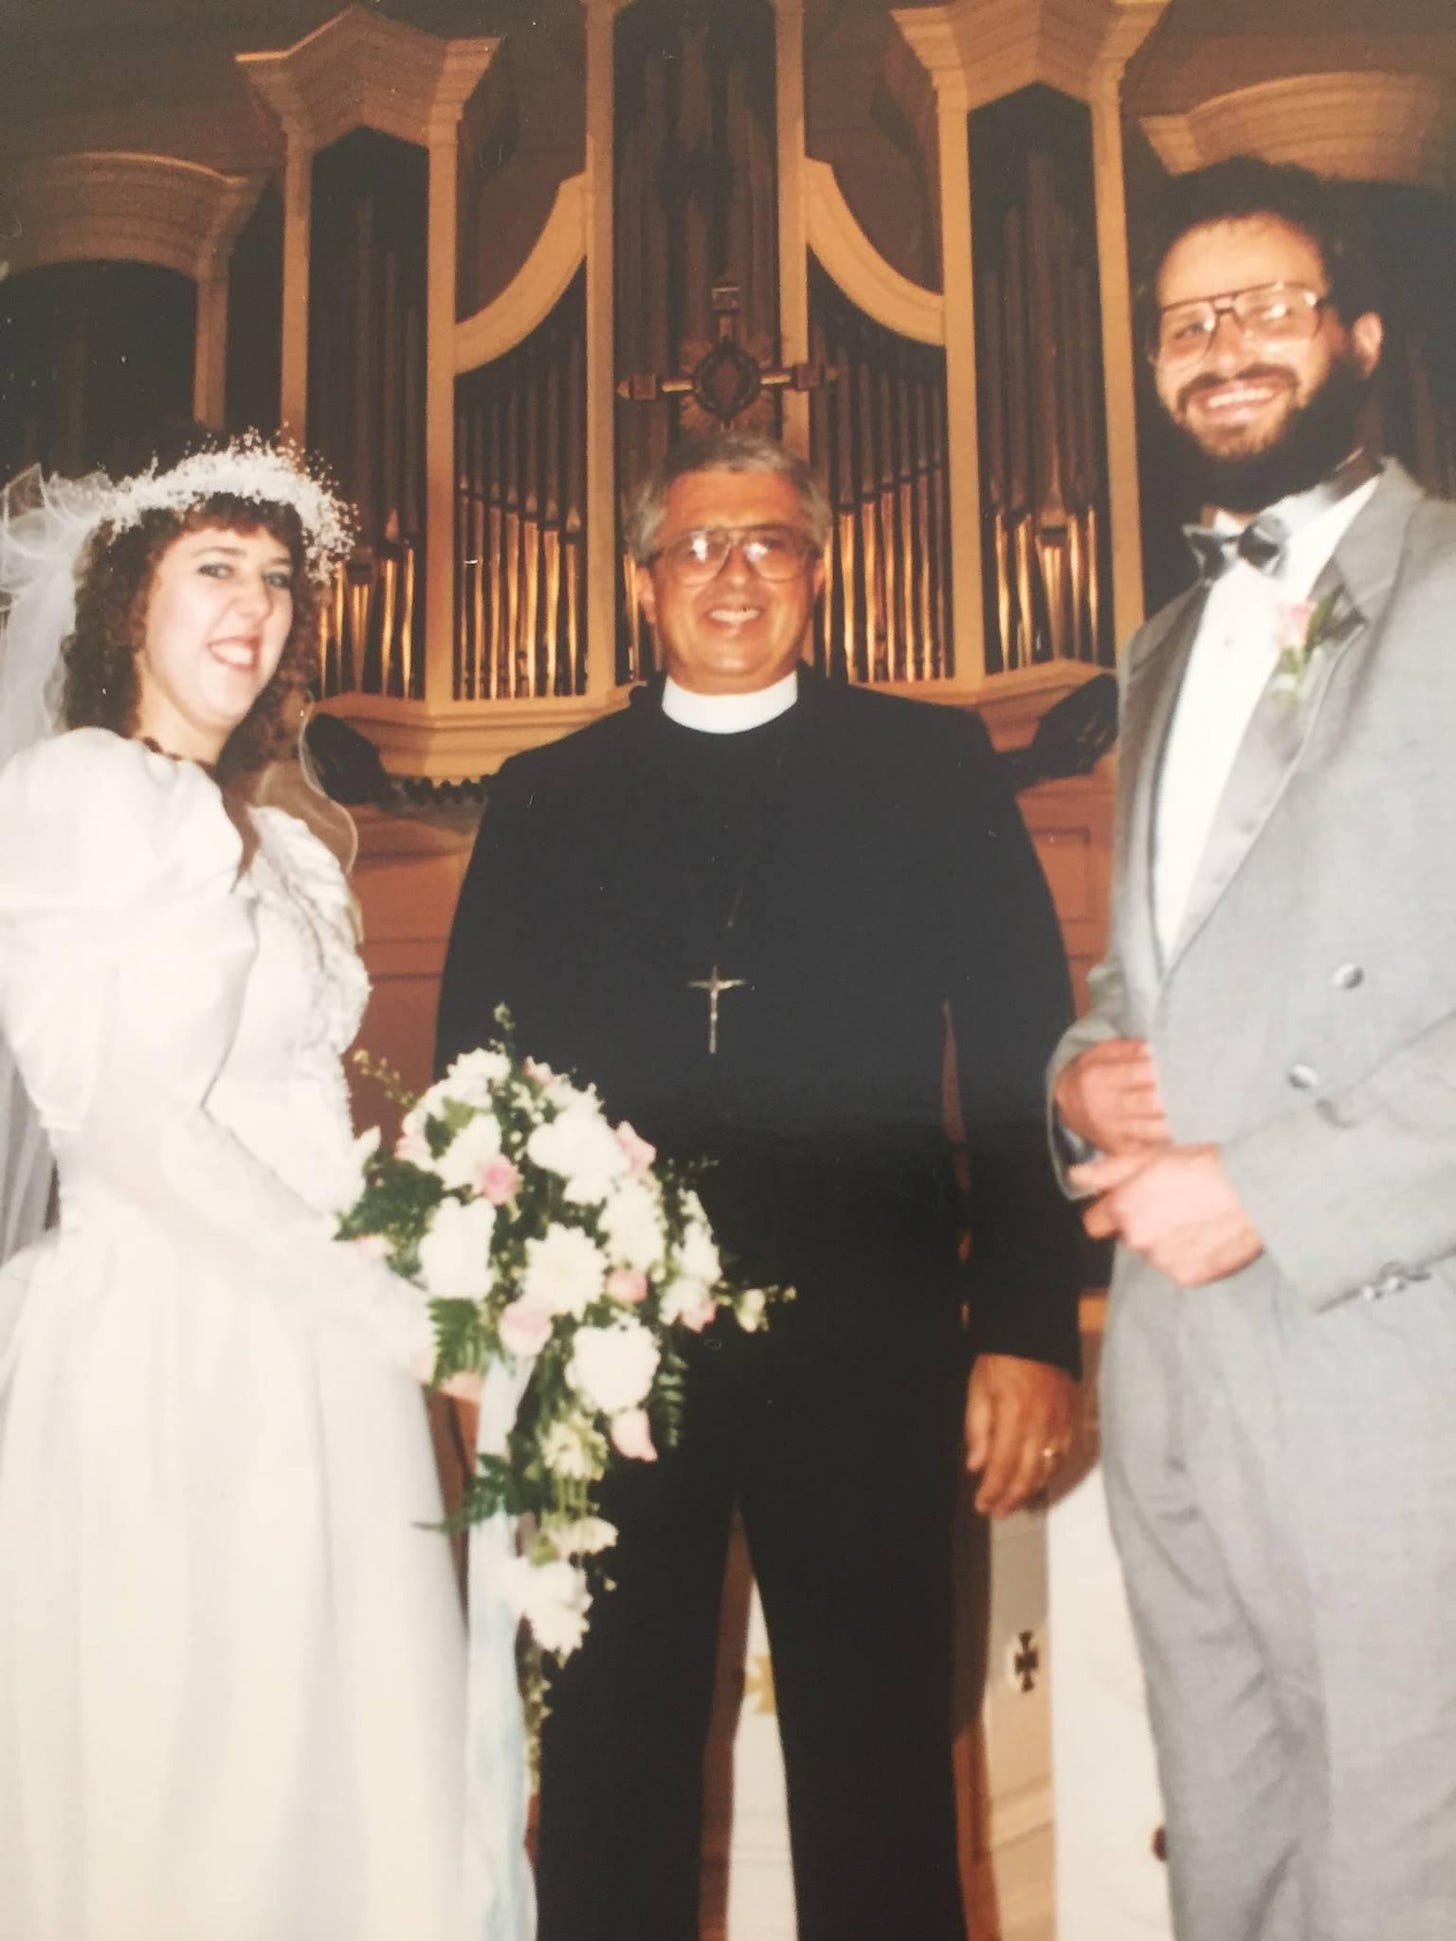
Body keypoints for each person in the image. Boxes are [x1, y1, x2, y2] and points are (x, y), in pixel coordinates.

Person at [437, 430, 1082, 1941]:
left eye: (770, 543)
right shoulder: (545, 792)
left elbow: (1016, 1054)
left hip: (874, 1342)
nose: (735, 574)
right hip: (608, 1353)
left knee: (879, 1778)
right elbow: (482, 1083)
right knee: (604, 1768)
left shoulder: (927, 765)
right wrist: (487, 1339)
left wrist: (1032, 1322)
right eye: (700, 546)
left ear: (820, 567)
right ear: (639, 578)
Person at [1051, 156, 1456, 1941]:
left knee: (1394, 1868)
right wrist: (1081, 1067)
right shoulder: (1158, 645)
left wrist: (1273, 1189)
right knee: (1228, 1855)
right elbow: (1150, 976)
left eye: (1267, 306)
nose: (1223, 348)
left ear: (1361, 338)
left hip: (1379, 1353)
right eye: (1185, 320)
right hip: (1173, 1367)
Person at [0, 439, 472, 1941]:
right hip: (170, 1337)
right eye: (215, 567)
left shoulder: (288, 846)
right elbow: (128, 1120)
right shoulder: (76, 794)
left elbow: (300, 1111)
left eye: (277, 579)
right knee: (197, 1772)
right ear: (127, 598)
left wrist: (449, 1237)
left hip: (319, 1348)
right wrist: (377, 1302)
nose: (254, 607)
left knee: (343, 1762)